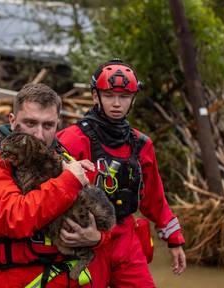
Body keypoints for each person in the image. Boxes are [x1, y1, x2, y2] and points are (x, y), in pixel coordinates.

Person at [57, 59, 187, 287]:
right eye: (109, 96)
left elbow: (154, 198)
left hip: (125, 237)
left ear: (133, 99)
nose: (116, 103)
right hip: (84, 241)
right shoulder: (71, 139)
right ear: (95, 96)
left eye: (124, 97)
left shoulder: (141, 144)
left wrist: (174, 240)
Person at [0, 83, 105, 288]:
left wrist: (96, 238)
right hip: (14, 279)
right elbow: (13, 217)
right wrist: (69, 181)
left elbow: (101, 215)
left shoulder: (64, 159)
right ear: (13, 121)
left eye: (48, 125)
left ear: (58, 124)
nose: (39, 135)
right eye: (30, 123)